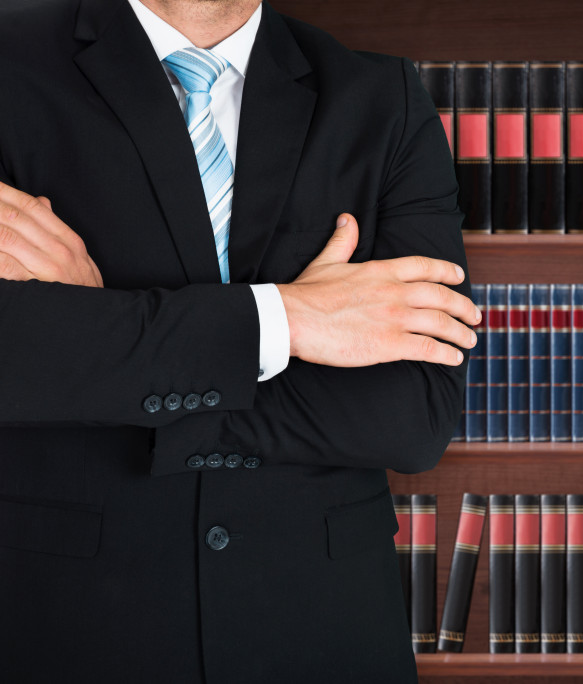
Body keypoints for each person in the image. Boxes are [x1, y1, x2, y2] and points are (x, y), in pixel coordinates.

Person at [0, 0, 478, 681]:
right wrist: (290, 320)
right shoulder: (10, 66)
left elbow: (412, 417)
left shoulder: (381, 100)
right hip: (67, 630)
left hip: (323, 635)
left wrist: (103, 340)